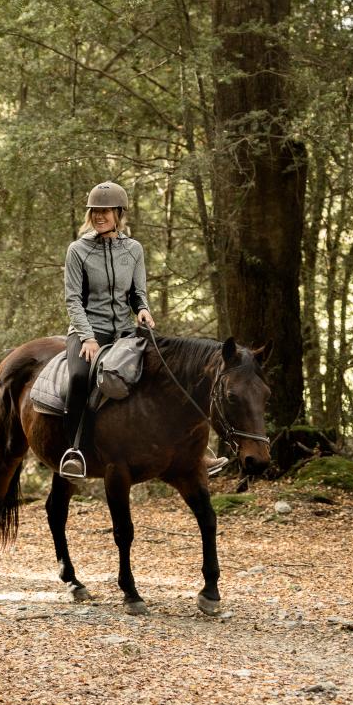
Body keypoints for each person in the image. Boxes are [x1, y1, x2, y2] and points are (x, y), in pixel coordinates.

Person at [55, 183, 230, 481]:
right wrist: (87, 337)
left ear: (119, 213)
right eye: (95, 211)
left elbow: (138, 292)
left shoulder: (133, 249)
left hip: (125, 332)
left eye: (106, 211)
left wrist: (143, 309)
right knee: (77, 377)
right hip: (88, 332)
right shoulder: (78, 251)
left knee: (165, 376)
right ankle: (76, 452)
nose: (100, 216)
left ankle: (196, 451)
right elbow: (73, 299)